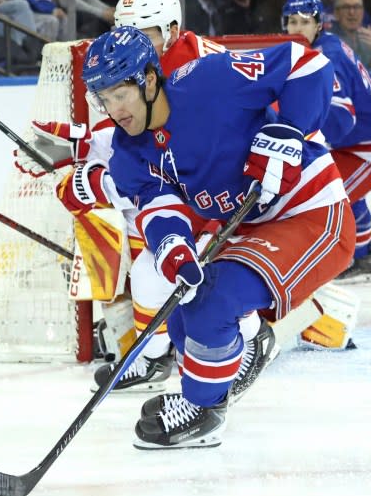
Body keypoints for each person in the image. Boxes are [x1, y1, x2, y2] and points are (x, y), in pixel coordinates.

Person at [76, 27, 352, 448]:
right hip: (250, 225)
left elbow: (306, 64)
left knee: (213, 300)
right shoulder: (129, 152)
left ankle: (205, 409)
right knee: (186, 307)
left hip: (311, 212)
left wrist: (289, 131)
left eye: (120, 93)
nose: (114, 109)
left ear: (149, 79)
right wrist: (175, 252)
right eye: (104, 98)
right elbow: (159, 208)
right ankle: (207, 389)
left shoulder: (208, 80)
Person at [17, 0, 236, 396]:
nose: (134, 40)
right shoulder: (136, 60)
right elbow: (126, 132)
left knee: (203, 282)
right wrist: (74, 144)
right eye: (125, 29)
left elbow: (161, 151)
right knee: (151, 271)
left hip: (218, 192)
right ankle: (153, 355)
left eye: (146, 32)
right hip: (178, 187)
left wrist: (94, 180)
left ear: (172, 29)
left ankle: (245, 341)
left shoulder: (195, 67)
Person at [281, 0, 371, 281]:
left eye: (304, 22)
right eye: (292, 21)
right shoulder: (318, 48)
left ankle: (355, 257)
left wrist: (311, 131)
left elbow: (342, 119)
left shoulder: (325, 55)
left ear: (319, 25)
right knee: (342, 187)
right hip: (363, 140)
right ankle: (363, 257)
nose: (296, 28)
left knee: (333, 194)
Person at [331, 0, 371, 70]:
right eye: (346, 7)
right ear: (336, 13)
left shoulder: (369, 39)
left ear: (363, 12)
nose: (352, 12)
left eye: (356, 7)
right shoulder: (330, 40)